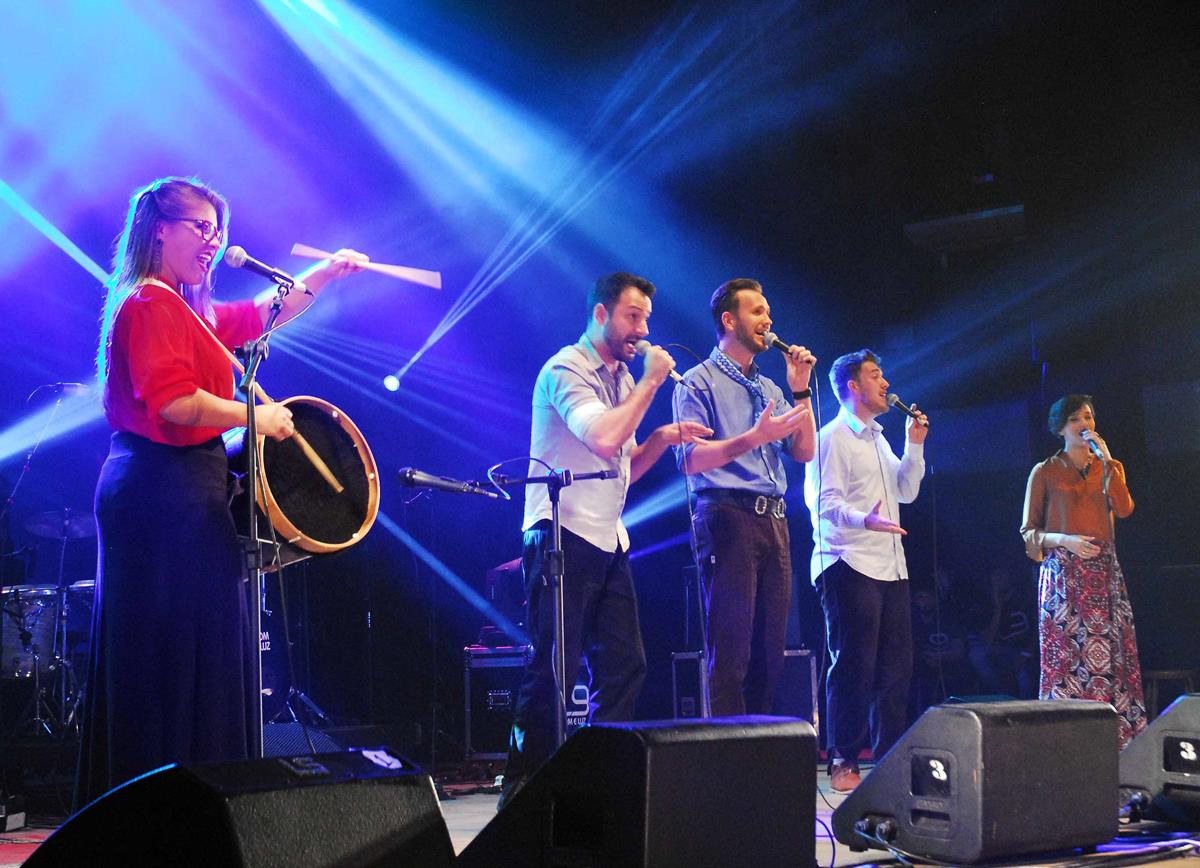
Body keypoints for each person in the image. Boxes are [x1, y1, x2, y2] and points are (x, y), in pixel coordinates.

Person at [77, 176, 364, 807]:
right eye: (199, 227)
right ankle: (152, 808)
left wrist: (325, 273)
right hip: (157, 493)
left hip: (191, 487)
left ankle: (199, 803)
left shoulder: (192, 310)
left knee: (202, 645)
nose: (212, 241)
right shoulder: (148, 302)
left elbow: (265, 312)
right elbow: (174, 402)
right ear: (159, 230)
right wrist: (254, 417)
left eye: (217, 229)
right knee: (168, 652)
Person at [501, 272, 711, 806]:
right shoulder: (566, 368)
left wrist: (662, 437)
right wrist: (652, 384)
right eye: (632, 316)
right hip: (560, 533)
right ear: (601, 315)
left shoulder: (620, 377)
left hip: (607, 538)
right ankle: (524, 789)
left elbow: (624, 467)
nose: (641, 329)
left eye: (645, 318)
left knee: (625, 665)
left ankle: (593, 778)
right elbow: (602, 439)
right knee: (554, 667)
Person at [671, 278, 816, 715]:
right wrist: (754, 437)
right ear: (729, 319)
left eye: (768, 312)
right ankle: (730, 759)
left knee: (771, 653)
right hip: (728, 516)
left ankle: (758, 756)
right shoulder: (697, 383)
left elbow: (805, 451)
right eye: (757, 311)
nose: (768, 320)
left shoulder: (771, 388)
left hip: (774, 520)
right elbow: (689, 460)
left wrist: (801, 388)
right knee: (731, 650)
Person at [804, 349, 928, 793]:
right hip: (847, 560)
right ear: (853, 386)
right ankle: (842, 756)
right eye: (876, 375)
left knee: (897, 668)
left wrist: (914, 443)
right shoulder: (832, 437)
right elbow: (822, 504)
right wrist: (865, 519)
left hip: (890, 565)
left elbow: (907, 491)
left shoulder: (878, 437)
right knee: (854, 663)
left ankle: (891, 757)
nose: (885, 382)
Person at [1020, 394, 1146, 746]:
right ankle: (1064, 738)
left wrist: (1109, 462)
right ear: (1060, 427)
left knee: (1110, 654)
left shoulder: (1109, 467)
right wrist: (1065, 540)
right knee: (1067, 656)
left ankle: (1115, 737)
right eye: (1075, 418)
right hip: (1063, 572)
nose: (1084, 424)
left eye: (1088, 417)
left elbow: (1124, 509)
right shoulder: (1044, 471)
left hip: (1103, 573)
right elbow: (1029, 532)